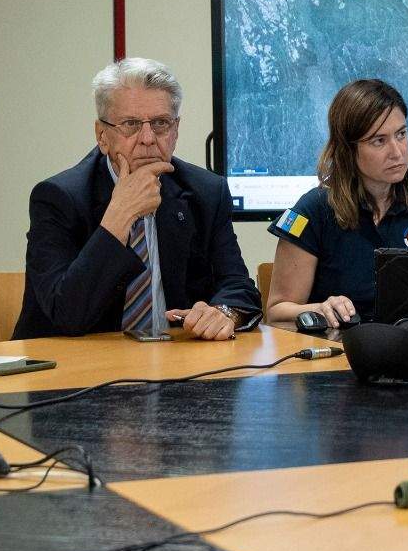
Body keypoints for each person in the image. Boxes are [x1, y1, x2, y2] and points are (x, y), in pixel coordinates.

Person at [14, 58, 259, 340]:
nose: (147, 138)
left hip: (175, 365)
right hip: (73, 368)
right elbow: (67, 315)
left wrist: (223, 313)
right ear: (102, 135)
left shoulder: (206, 192)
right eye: (131, 124)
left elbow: (239, 287)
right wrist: (119, 216)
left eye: (160, 124)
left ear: (176, 131)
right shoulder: (58, 198)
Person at [265, 79, 408, 327]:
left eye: (401, 134)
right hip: (337, 351)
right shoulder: (313, 210)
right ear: (347, 150)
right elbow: (276, 313)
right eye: (379, 141)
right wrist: (319, 309)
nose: (397, 152)